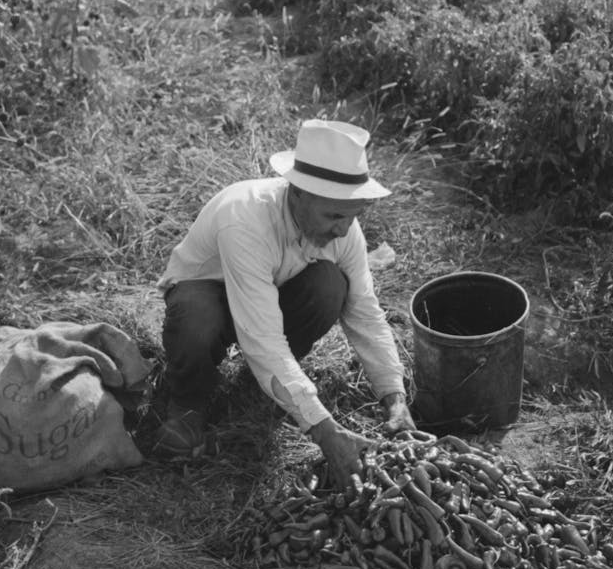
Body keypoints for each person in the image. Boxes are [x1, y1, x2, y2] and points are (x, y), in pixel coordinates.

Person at [151, 118, 417, 487]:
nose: (343, 229)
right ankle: (188, 402)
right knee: (196, 318)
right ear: (297, 193)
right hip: (209, 295)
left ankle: (265, 382)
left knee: (330, 287)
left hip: (268, 298)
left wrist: (395, 398)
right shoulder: (244, 219)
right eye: (334, 216)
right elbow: (262, 338)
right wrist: (325, 431)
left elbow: (366, 314)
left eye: (352, 215)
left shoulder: (343, 228)